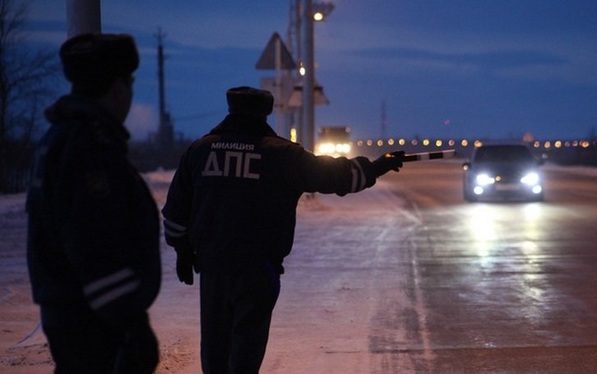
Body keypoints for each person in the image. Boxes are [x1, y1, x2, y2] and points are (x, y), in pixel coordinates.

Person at [162, 86, 405, 373]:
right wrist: (375, 168)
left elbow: (176, 209)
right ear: (266, 113)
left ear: (231, 109)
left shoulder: (200, 151)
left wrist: (181, 250)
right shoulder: (283, 155)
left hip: (214, 269)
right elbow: (335, 177)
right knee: (246, 349)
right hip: (258, 269)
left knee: (216, 349)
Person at [26, 33, 161, 373]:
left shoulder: (63, 137)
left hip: (78, 315)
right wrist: (129, 323)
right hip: (94, 322)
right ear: (117, 88)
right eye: (129, 84)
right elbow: (92, 242)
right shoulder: (89, 147)